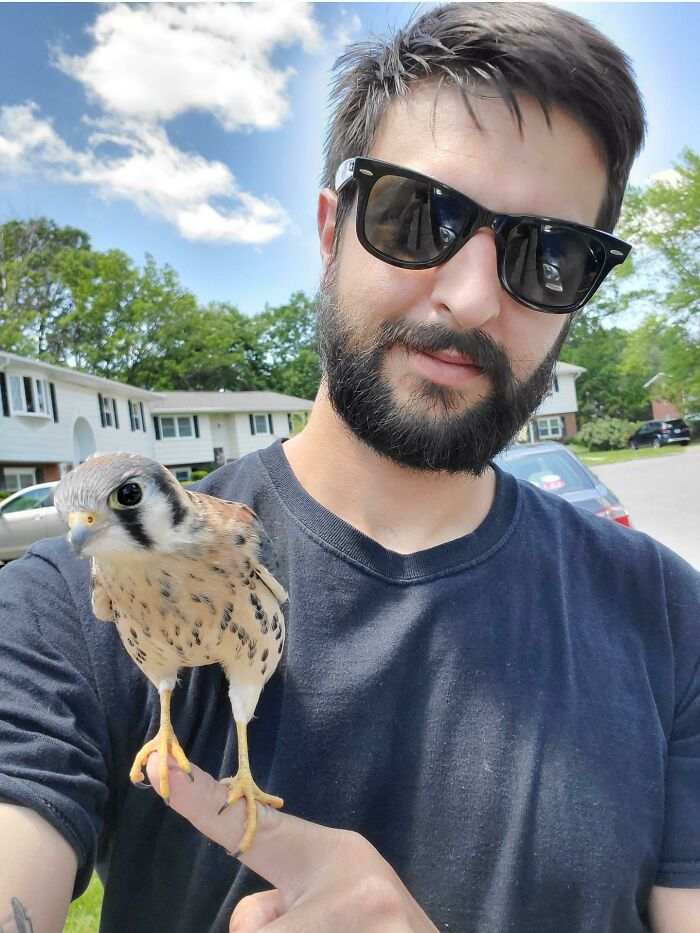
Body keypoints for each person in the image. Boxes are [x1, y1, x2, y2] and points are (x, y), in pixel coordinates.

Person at [1, 3, 699, 931]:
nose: (472, 296)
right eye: (421, 215)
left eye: (551, 254)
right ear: (332, 229)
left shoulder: (668, 618)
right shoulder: (66, 607)